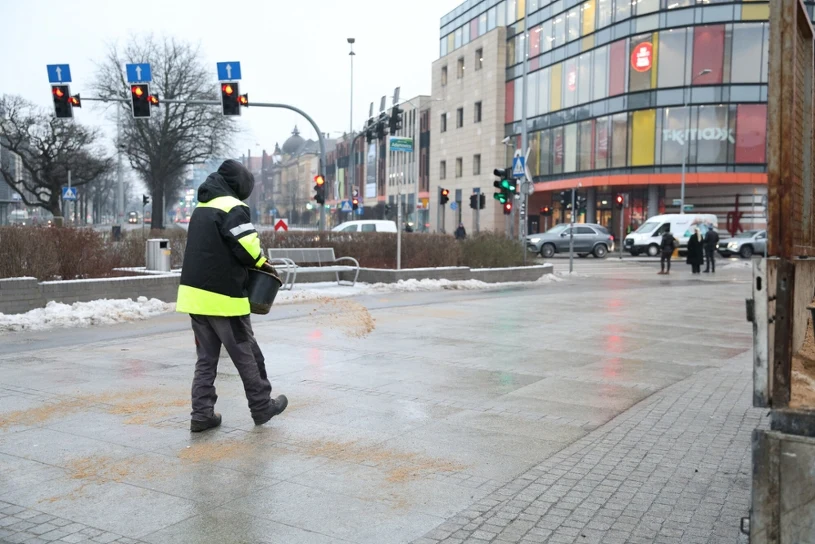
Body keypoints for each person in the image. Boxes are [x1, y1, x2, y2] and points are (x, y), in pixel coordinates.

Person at [176, 159, 287, 433]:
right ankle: (261, 406)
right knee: (246, 352)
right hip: (223, 297)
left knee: (206, 359)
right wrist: (263, 264)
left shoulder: (202, 207)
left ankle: (201, 414)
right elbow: (247, 247)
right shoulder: (232, 207)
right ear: (239, 187)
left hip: (194, 296)